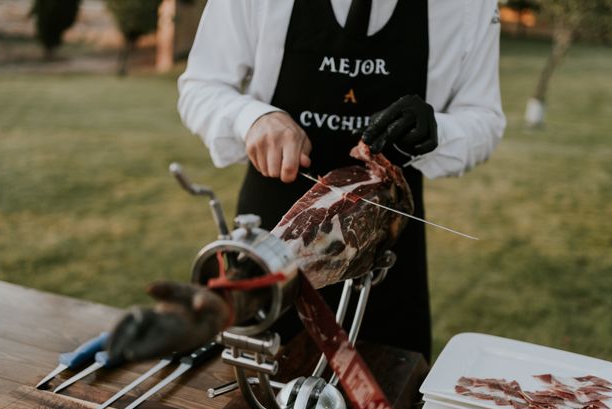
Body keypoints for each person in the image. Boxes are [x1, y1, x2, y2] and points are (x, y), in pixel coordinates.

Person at [177, 0, 506, 362]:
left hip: (388, 245)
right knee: (247, 400)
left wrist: (438, 130)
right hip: (274, 237)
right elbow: (201, 86)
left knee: (386, 391)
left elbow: (485, 117)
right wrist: (251, 118)